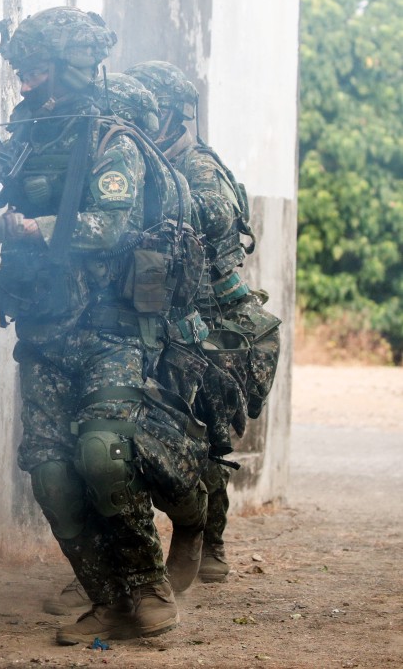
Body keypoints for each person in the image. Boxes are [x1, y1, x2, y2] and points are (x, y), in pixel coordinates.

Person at [0, 7, 207, 645]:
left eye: (36, 70)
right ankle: (107, 600)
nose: (23, 83)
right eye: (20, 70)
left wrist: (21, 227)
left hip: (111, 329)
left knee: (103, 455)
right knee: (51, 474)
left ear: (71, 67)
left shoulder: (114, 141)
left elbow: (107, 229)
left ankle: (149, 590)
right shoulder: (27, 134)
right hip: (45, 326)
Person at [126, 60, 282, 584]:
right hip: (159, 317)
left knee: (202, 437)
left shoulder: (198, 172)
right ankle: (130, 556)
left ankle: (206, 544)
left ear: (170, 115)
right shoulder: (145, 163)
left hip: (207, 322)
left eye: (148, 111)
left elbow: (206, 244)